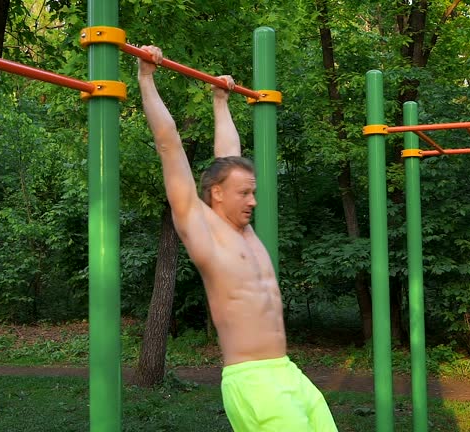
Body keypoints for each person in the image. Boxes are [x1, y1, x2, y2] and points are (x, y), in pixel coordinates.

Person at [138, 45, 338, 432]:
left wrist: (220, 102)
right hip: (253, 381)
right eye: (244, 193)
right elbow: (168, 142)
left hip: (289, 372)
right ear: (217, 194)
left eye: (253, 191)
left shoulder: (243, 230)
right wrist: (147, 77)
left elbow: (229, 155)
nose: (253, 200)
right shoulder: (201, 230)